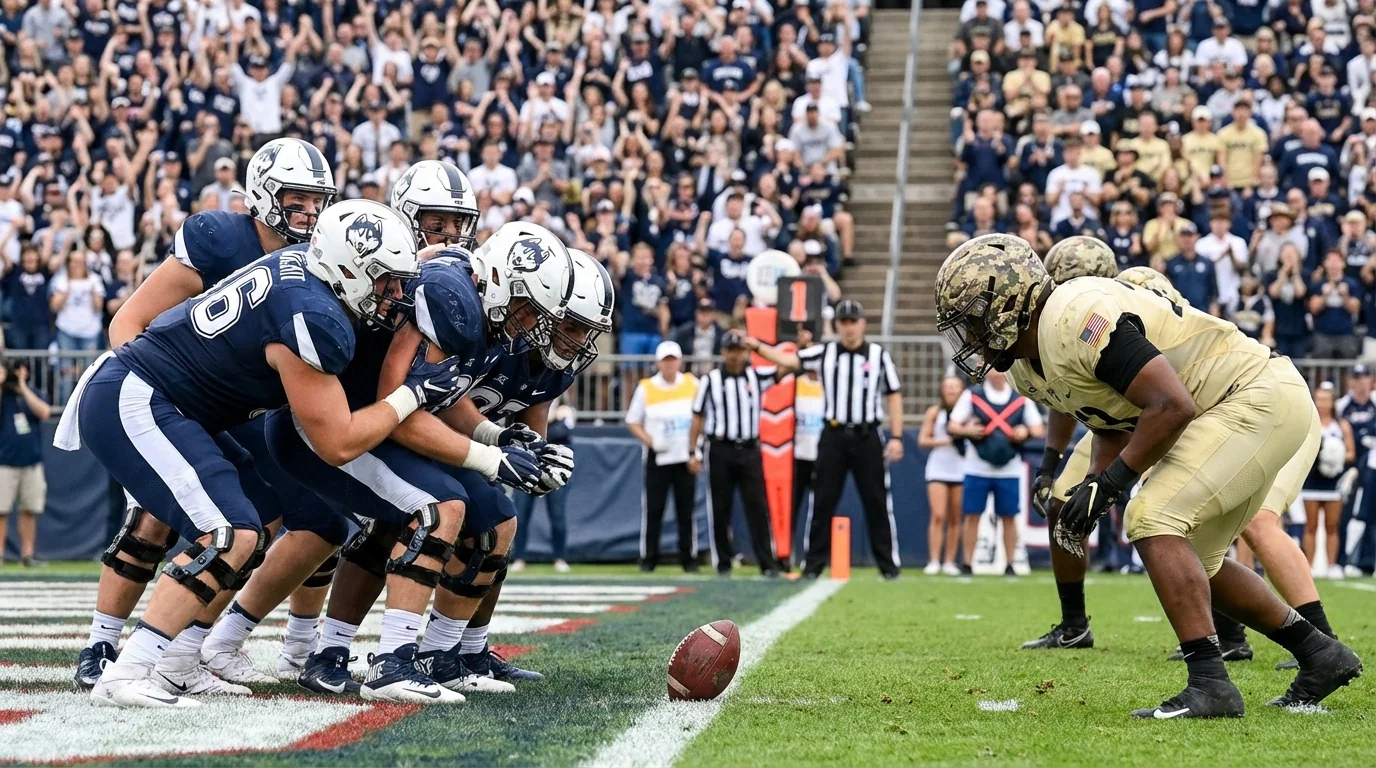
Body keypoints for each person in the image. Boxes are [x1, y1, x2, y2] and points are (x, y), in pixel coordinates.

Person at [53, 200, 465, 708]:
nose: (395, 295)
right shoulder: (312, 314)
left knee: (259, 522)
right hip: (139, 396)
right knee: (226, 531)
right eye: (384, 281)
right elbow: (338, 442)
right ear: (346, 269)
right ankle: (128, 669)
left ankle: (179, 664)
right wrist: (411, 397)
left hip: (177, 405)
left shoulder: (306, 274)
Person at [936, 233, 1361, 718]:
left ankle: (1210, 683)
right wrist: (1091, 484)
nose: (970, 335)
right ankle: (1321, 654)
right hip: (1229, 408)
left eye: (973, 317)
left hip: (1250, 395)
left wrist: (1111, 484)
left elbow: (1169, 403)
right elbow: (1114, 417)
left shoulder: (1075, 317)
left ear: (1008, 301)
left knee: (1153, 516)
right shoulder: (1028, 362)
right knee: (1200, 560)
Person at [71, 138, 339, 695]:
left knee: (263, 518)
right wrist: (152, 409)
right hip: (161, 390)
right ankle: (104, 641)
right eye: (298, 198)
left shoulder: (319, 262)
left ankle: (185, 650)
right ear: (265, 194)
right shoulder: (220, 239)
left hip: (237, 406)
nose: (310, 212)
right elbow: (130, 322)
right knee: (157, 516)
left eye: (319, 200)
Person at [745, 299, 904, 580]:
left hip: (868, 434)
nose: (849, 327)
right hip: (833, 434)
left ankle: (888, 566)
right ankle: (813, 565)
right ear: (837, 326)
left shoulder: (879, 355)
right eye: (843, 322)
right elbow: (790, 360)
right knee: (822, 502)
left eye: (853, 321)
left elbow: (893, 394)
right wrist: (758, 347)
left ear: (862, 324)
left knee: (877, 502)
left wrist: (897, 435)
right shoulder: (825, 352)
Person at [1021, 236, 1120, 648]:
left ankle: (1230, 632)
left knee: (1173, 519)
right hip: (1114, 425)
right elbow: (1062, 392)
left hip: (1172, 421)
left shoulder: (1129, 302)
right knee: (1063, 506)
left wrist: (1101, 477)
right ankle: (1074, 625)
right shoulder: (1062, 325)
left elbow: (1163, 397)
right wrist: (1048, 464)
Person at [689, 330, 785, 577]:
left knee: (757, 507)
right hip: (720, 448)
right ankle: (723, 562)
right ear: (723, 352)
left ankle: (767, 563)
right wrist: (693, 450)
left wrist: (760, 346)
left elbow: (784, 368)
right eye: (731, 350)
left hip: (750, 449)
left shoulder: (756, 377)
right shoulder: (710, 380)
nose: (734, 355)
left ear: (745, 352)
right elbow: (698, 417)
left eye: (739, 350)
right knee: (720, 509)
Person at [949, 367, 1044, 576]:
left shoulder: (1020, 398)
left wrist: (1025, 431)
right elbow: (953, 425)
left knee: (1008, 516)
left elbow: (1038, 429)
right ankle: (967, 563)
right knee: (972, 515)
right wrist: (967, 430)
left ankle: (1009, 563)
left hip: (1009, 468)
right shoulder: (972, 395)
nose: (996, 372)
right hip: (977, 466)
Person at [625, 341, 700, 572]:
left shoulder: (692, 384)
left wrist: (696, 451)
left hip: (685, 457)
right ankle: (649, 559)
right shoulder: (647, 387)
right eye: (665, 360)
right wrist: (650, 441)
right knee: (654, 510)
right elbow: (632, 420)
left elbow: (701, 419)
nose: (669, 365)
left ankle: (689, 559)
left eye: (673, 360)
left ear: (680, 361)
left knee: (686, 511)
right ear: (658, 363)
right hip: (658, 457)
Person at [0, 359, 51, 567]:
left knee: (30, 509)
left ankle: (27, 555)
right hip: (4, 462)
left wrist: (22, 386)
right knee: (1, 511)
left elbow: (44, 412)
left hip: (31, 463)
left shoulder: (31, 393)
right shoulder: (4, 396)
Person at [1302, 382, 1355, 578]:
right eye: (1319, 399)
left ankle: (1332, 566)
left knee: (1332, 525)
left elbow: (1351, 453)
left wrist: (1336, 455)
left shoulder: (1341, 425)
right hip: (1312, 479)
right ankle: (1309, 566)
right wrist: (1319, 456)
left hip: (1333, 481)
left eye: (1326, 399)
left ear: (1333, 401)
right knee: (1311, 525)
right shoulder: (1309, 423)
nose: (1322, 403)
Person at [920, 375, 966, 576]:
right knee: (938, 515)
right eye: (948, 387)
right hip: (938, 467)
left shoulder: (968, 412)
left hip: (961, 467)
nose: (952, 390)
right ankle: (934, 560)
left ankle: (949, 561)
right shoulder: (934, 412)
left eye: (955, 387)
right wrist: (945, 441)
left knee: (956, 517)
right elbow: (923, 439)